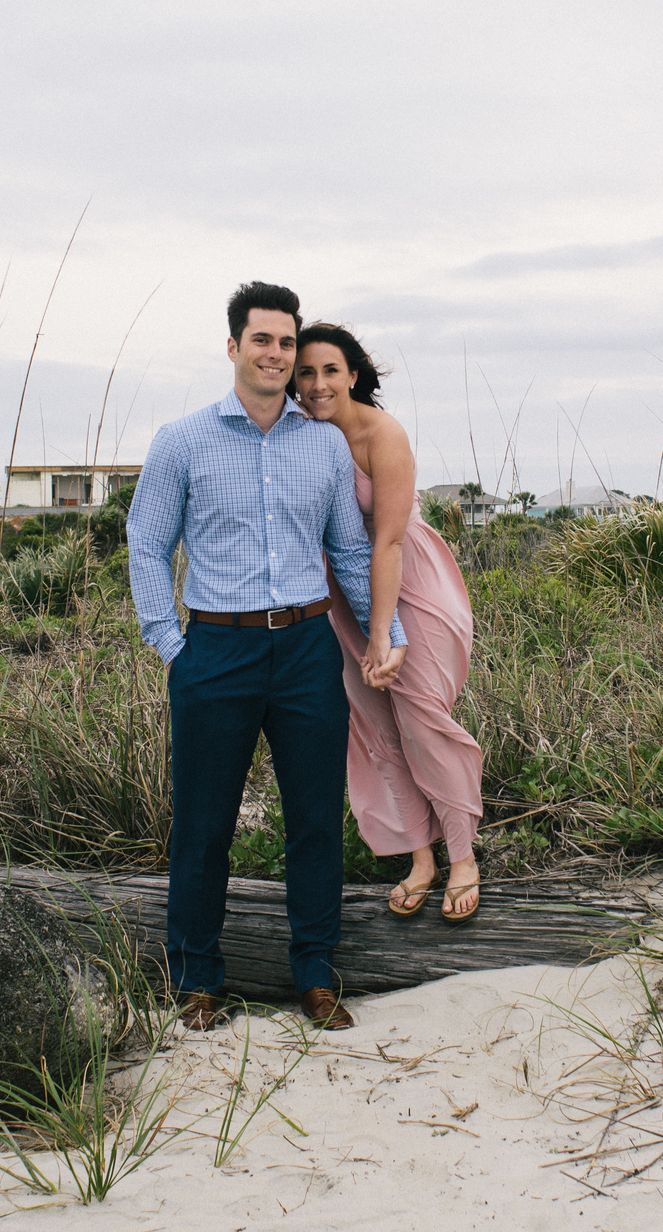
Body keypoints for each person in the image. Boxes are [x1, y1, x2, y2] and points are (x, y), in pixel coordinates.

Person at [127, 282, 404, 1033]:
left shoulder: (322, 443)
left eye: (287, 342)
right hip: (214, 649)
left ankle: (315, 976)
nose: (278, 354)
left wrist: (390, 633)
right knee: (203, 823)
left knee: (314, 818)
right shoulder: (182, 440)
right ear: (233, 347)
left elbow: (350, 548)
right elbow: (148, 546)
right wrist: (172, 647)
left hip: (308, 648)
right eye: (263, 340)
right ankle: (197, 979)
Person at [293, 324, 487, 924]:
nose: (319, 383)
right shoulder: (301, 435)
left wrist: (386, 631)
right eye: (306, 372)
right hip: (342, 597)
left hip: (410, 588)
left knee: (423, 722)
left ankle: (463, 858)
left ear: (353, 374)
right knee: (377, 729)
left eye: (331, 370)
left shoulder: (383, 434)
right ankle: (420, 858)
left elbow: (391, 540)